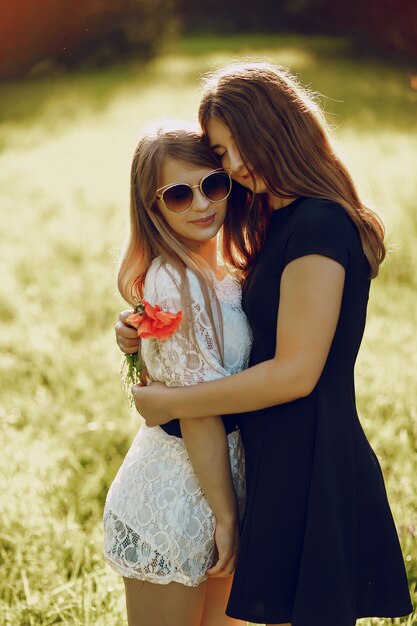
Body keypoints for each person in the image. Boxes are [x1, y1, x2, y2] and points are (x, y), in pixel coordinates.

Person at [115, 63, 413, 626]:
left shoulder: (319, 224)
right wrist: (138, 331)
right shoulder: (278, 219)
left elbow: (296, 372)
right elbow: (225, 320)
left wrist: (171, 402)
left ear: (278, 127)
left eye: (236, 149)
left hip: (308, 457)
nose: (235, 165)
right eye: (222, 154)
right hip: (269, 459)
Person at [104, 120, 252, 626]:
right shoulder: (172, 281)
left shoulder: (226, 267)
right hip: (172, 503)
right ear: (152, 208)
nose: (202, 205)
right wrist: (227, 517)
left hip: (220, 490)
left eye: (212, 184)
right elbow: (197, 409)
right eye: (178, 195)